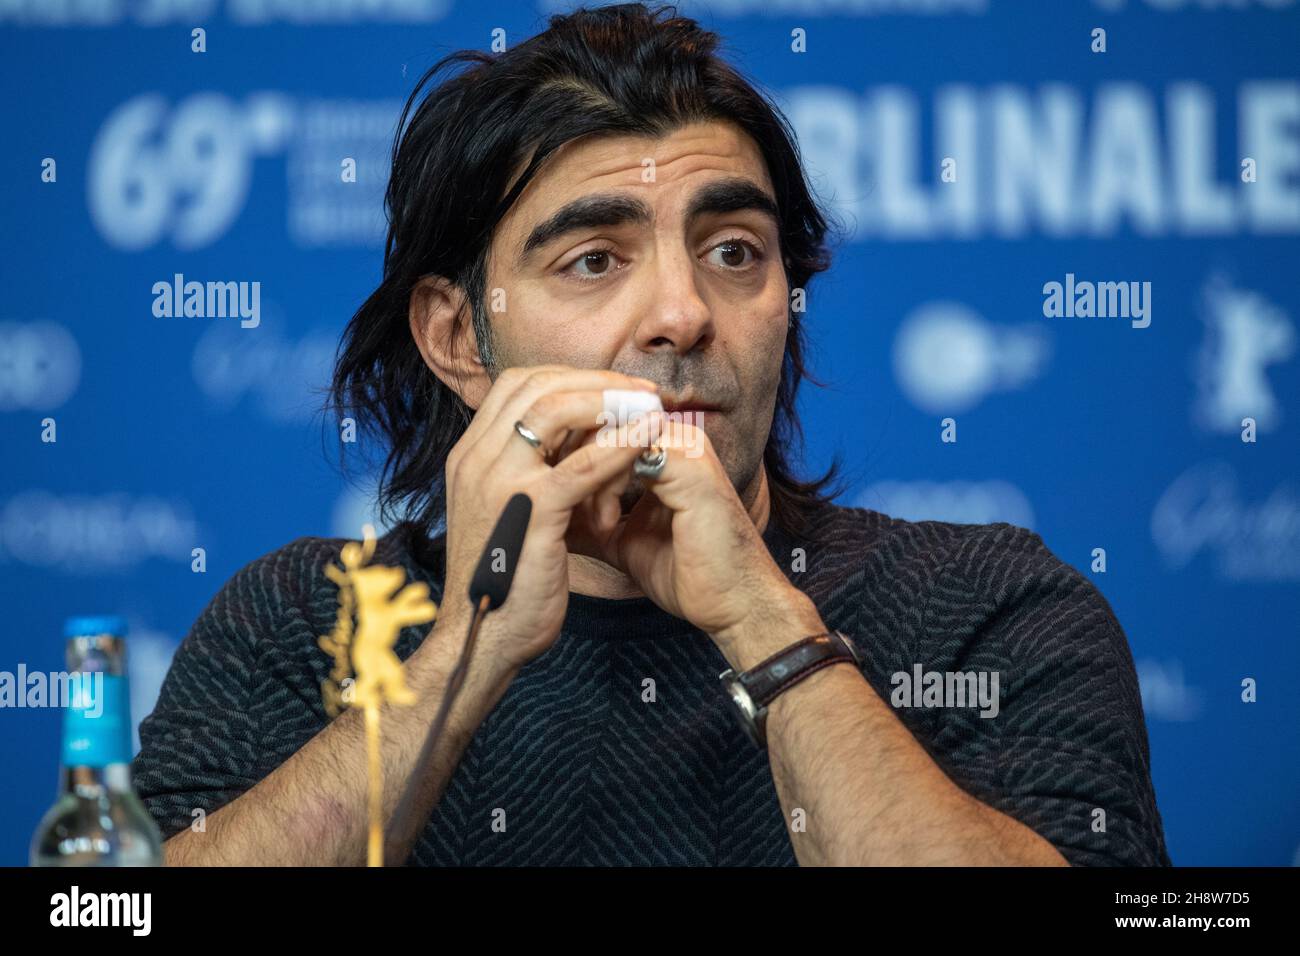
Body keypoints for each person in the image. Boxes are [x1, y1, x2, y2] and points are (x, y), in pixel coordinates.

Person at [132, 3, 1171, 867]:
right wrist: (467, 650)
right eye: (593, 259)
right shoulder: (300, 623)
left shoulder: (981, 606)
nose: (683, 311)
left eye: (732, 250)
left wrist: (766, 622)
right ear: (458, 336)